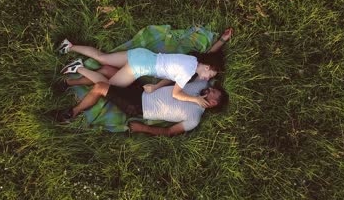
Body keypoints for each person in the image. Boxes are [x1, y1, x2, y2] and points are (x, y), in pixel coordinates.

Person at [55, 28, 231, 108]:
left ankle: (69, 46)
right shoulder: (187, 73)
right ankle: (79, 68)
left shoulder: (193, 60)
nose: (207, 79)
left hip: (141, 54)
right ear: (207, 67)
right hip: (139, 67)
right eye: (210, 75)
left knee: (102, 57)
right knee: (108, 85)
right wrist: (196, 100)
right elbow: (176, 94)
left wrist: (222, 41)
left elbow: (209, 55)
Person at [56, 79, 229, 136]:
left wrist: (143, 128)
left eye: (214, 92)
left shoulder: (194, 118)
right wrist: (222, 39)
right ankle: (67, 83)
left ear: (212, 103)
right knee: (111, 73)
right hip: (143, 89)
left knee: (101, 86)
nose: (211, 88)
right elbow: (208, 62)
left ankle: (72, 113)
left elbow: (169, 131)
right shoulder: (200, 86)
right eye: (213, 87)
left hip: (138, 105)